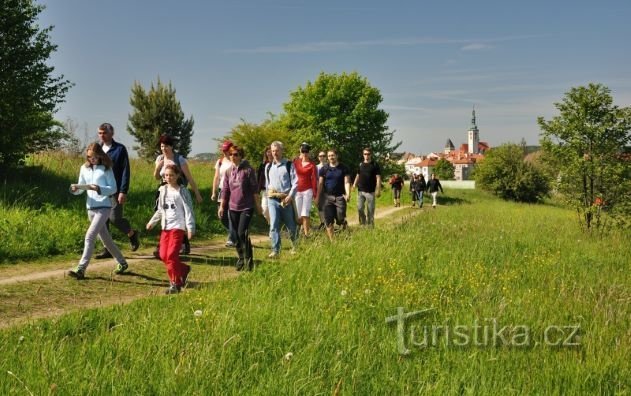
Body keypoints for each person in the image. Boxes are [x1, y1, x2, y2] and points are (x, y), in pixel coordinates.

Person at [68, 143, 129, 280]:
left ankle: (81, 269)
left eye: (95, 157)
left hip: (104, 207)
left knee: (89, 236)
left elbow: (113, 188)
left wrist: (99, 189)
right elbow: (81, 188)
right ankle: (122, 262)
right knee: (106, 240)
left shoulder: (107, 169)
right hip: (90, 207)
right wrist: (76, 190)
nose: (92, 159)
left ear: (100, 155)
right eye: (89, 157)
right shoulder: (83, 168)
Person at [147, 164, 195, 294]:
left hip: (178, 227)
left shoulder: (182, 191)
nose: (168, 177)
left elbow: (188, 210)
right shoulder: (163, 190)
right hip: (165, 227)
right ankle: (183, 270)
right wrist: (152, 222)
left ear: (178, 176)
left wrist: (190, 228)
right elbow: (161, 210)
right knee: (163, 255)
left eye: (171, 175)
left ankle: (175, 284)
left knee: (172, 256)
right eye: (166, 175)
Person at [95, 123, 140, 259]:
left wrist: (123, 191)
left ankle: (132, 234)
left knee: (115, 218)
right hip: (100, 190)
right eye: (100, 133)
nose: (102, 136)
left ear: (111, 133)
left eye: (104, 133)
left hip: (115, 190)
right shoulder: (98, 149)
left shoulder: (119, 149)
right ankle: (107, 249)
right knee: (103, 220)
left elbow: (126, 171)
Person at [153, 135, 202, 255]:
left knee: (179, 217)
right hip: (164, 191)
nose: (164, 148)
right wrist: (158, 167)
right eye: (162, 146)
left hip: (178, 192)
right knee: (164, 215)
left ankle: (183, 242)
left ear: (172, 146)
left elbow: (189, 178)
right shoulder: (159, 158)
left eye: (166, 146)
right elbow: (156, 177)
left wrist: (197, 193)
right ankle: (162, 246)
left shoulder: (179, 159)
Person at [218, 146, 262, 271]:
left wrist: (258, 206)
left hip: (246, 206)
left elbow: (254, 190)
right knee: (235, 235)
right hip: (232, 207)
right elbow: (225, 190)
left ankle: (249, 261)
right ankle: (241, 258)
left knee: (242, 232)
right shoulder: (228, 171)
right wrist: (222, 206)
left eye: (236, 154)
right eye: (231, 154)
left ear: (241, 156)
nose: (233, 156)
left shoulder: (248, 170)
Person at [265, 141, 298, 258]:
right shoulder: (268, 166)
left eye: (277, 150)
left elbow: (295, 182)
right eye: (273, 151)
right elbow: (267, 184)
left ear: (281, 151)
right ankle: (275, 250)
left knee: (291, 225)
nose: (275, 153)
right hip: (272, 199)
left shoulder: (289, 165)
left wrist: (290, 196)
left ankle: (295, 246)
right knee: (273, 224)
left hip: (286, 199)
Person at [317, 149, 351, 241]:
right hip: (327, 197)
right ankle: (333, 241)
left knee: (340, 218)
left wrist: (348, 193)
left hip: (340, 197)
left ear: (336, 156)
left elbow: (347, 182)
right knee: (328, 220)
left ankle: (343, 224)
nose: (331, 157)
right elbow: (320, 184)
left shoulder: (344, 168)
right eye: (329, 156)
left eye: (332, 155)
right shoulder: (324, 169)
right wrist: (317, 197)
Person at [211, 140, 237, 247]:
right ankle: (235, 233)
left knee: (231, 215)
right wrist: (214, 192)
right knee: (222, 216)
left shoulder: (235, 160)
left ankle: (232, 238)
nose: (225, 152)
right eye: (224, 150)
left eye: (227, 150)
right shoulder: (220, 162)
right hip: (222, 190)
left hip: (233, 190)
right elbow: (216, 177)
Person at [293, 142, 318, 237]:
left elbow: (314, 180)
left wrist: (315, 195)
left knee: (305, 213)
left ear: (309, 152)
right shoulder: (295, 162)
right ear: (300, 151)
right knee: (298, 215)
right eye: (303, 151)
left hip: (308, 190)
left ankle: (307, 234)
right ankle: (299, 231)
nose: (305, 153)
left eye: (306, 151)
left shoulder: (312, 165)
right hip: (297, 190)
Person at [352, 147, 381, 227]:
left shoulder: (375, 165)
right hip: (360, 191)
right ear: (363, 155)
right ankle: (363, 223)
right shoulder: (360, 164)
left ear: (371, 154)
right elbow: (357, 175)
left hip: (371, 192)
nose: (366, 156)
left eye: (368, 154)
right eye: (365, 154)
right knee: (360, 208)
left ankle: (370, 227)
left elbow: (378, 178)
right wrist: (354, 185)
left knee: (370, 211)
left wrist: (378, 189)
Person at [256, 145, 273, 224]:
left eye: (271, 151)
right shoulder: (263, 165)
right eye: (268, 152)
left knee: (273, 209)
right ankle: (270, 223)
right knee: (265, 210)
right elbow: (259, 178)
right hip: (265, 190)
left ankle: (273, 227)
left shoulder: (276, 163)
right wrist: (257, 191)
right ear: (266, 153)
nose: (269, 153)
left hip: (274, 191)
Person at [316, 151, 327, 230]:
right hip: (319, 188)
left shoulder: (329, 166)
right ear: (318, 157)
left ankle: (328, 222)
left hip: (328, 189)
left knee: (328, 205)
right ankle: (322, 222)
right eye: (320, 156)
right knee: (320, 206)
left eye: (323, 156)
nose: (322, 157)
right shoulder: (316, 167)